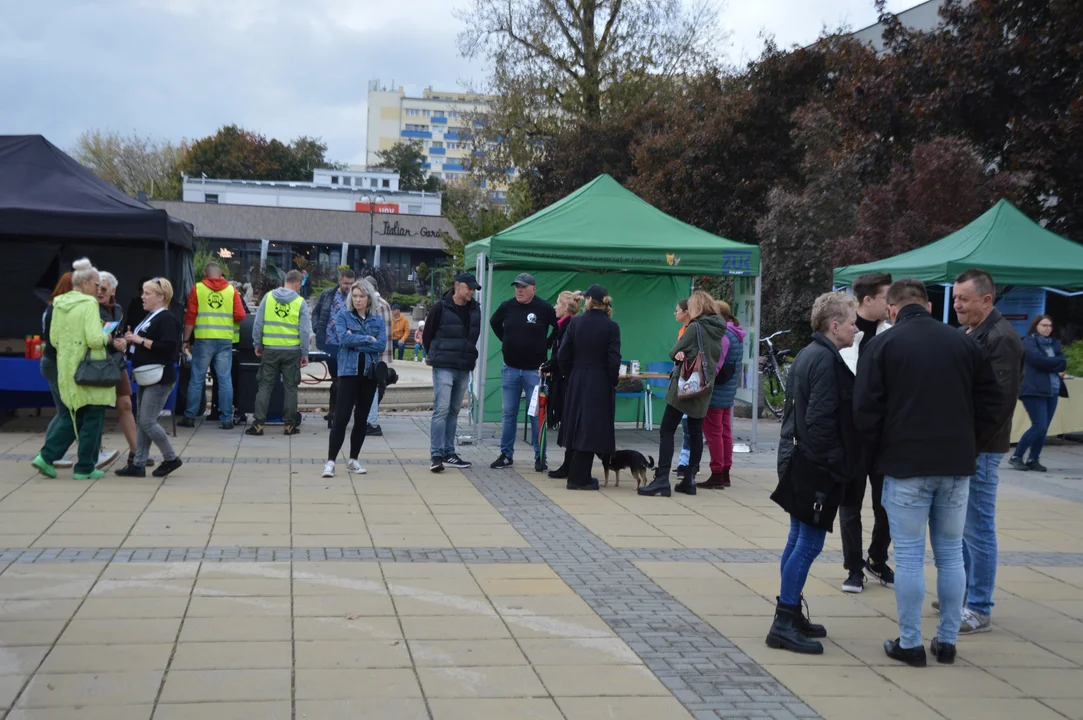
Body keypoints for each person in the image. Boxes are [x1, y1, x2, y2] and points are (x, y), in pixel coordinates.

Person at [855, 279, 1002, 666]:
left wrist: (877, 455)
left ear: (891, 309)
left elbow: (865, 411)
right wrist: (970, 442)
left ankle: (910, 642)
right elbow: (994, 401)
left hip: (905, 466)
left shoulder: (882, 345)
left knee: (907, 556)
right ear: (930, 306)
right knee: (951, 554)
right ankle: (948, 640)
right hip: (956, 464)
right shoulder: (965, 343)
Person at [765, 292, 862, 654]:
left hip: (800, 458)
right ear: (834, 326)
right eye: (852, 322)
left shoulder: (810, 353)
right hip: (813, 464)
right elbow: (819, 422)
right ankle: (783, 621)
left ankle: (790, 612)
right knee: (808, 543)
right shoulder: (823, 359)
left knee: (797, 539)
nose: (855, 329)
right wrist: (839, 464)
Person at [952, 268, 1024, 635]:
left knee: (978, 528)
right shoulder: (975, 332)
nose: (957, 305)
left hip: (982, 447)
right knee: (966, 528)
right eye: (954, 298)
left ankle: (979, 606)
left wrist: (971, 445)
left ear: (987, 300)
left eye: (964, 299)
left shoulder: (1001, 338)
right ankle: (965, 595)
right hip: (970, 445)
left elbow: (998, 403)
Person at [837, 272, 895, 594]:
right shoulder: (846, 335)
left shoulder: (892, 334)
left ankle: (877, 558)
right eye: (887, 297)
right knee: (850, 505)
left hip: (884, 438)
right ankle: (853, 568)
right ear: (868, 300)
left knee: (886, 504)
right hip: (851, 437)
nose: (891, 304)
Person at [32, 258, 115, 481]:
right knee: (93, 415)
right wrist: (107, 336)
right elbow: (95, 340)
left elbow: (54, 339)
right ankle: (84, 467)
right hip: (90, 367)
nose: (98, 290)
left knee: (74, 414)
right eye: (97, 285)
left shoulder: (58, 303)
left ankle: (47, 457)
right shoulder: (89, 304)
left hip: (66, 365)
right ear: (86, 283)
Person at [639, 291, 727, 497]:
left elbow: (674, 351)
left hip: (685, 386)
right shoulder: (719, 329)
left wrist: (680, 354)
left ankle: (661, 479)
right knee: (696, 432)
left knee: (667, 430)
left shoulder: (695, 327)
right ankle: (690, 479)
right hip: (704, 388)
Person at [114, 278, 184, 478]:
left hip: (159, 376)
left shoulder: (167, 319)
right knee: (143, 420)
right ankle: (138, 463)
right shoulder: (151, 317)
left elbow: (170, 349)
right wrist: (131, 343)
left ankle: (170, 457)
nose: (142, 297)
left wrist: (140, 340)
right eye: (143, 292)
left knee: (147, 421)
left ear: (161, 297)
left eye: (147, 293)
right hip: (146, 374)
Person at [489, 273, 558, 472]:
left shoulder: (543, 308)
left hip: (534, 372)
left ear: (533, 289)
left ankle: (540, 456)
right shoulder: (507, 306)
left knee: (536, 414)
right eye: (517, 286)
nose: (519, 290)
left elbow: (558, 327)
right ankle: (506, 455)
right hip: (510, 368)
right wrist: (506, 341)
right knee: (508, 413)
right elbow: (494, 322)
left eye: (523, 287)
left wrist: (547, 344)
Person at [557, 285, 621, 490]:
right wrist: (612, 381)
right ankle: (579, 477)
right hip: (600, 380)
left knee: (577, 425)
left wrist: (570, 374)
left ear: (589, 300)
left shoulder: (575, 323)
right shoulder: (612, 327)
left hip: (577, 378)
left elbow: (562, 354)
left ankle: (577, 474)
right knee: (592, 427)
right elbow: (613, 360)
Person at [323, 281, 387, 478]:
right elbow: (343, 339)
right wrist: (368, 339)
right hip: (348, 373)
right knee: (341, 418)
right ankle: (331, 462)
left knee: (361, 419)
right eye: (355, 296)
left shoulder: (376, 320)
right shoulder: (343, 315)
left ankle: (353, 459)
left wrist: (356, 340)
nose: (358, 300)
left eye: (362, 296)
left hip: (369, 375)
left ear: (369, 299)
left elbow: (381, 345)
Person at [422, 273, 482, 473]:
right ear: (457, 285)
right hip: (444, 364)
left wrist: (469, 357)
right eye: (469, 288)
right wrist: (437, 355)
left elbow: (474, 335)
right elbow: (427, 335)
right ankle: (436, 454)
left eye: (474, 289)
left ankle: (449, 451)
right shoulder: (440, 307)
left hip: (463, 365)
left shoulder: (475, 309)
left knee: (454, 410)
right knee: (441, 409)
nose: (471, 292)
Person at [246, 270, 312, 436]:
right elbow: (304, 331)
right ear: (297, 283)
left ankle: (258, 424)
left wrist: (257, 343)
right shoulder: (300, 302)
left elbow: (258, 323)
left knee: (265, 386)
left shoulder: (268, 298)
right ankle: (289, 425)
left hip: (270, 349)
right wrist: (305, 353)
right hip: (292, 351)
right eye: (300, 285)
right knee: (290, 388)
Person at [180, 262, 246, 429]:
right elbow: (240, 315)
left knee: (197, 379)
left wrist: (186, 340)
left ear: (205, 273)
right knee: (225, 379)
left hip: (203, 340)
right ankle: (226, 419)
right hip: (224, 340)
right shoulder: (231, 291)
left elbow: (190, 317)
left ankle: (189, 417)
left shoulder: (198, 289)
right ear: (221, 274)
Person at [697, 301, 745, 489]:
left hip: (717, 391)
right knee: (725, 430)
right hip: (728, 390)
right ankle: (725, 471)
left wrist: (703, 379)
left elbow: (716, 365)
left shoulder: (723, 335)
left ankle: (717, 472)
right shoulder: (736, 333)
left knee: (713, 432)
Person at [1011, 314, 1067, 472]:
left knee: (1044, 427)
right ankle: (1016, 456)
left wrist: (1052, 363)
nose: (1048, 328)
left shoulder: (1054, 344)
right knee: (1039, 425)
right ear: (1036, 326)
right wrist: (1053, 363)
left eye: (1050, 325)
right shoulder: (1028, 342)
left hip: (1053, 389)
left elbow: (1063, 363)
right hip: (1033, 390)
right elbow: (1039, 361)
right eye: (1044, 325)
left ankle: (1033, 458)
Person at [96, 272, 135, 468]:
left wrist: (122, 341)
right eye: (97, 288)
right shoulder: (91, 309)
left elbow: (114, 333)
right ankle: (96, 451)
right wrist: (114, 343)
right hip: (97, 364)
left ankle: (137, 452)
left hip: (117, 363)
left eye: (103, 289)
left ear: (113, 290)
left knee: (126, 403)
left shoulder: (117, 309)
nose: (99, 292)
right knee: (96, 408)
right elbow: (96, 335)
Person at [546, 290, 584, 480]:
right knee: (567, 422)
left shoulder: (571, 326)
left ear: (567, 308)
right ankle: (568, 462)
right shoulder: (561, 326)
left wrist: (555, 367)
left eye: (558, 304)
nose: (554, 307)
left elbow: (565, 354)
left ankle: (570, 464)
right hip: (561, 378)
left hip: (566, 381)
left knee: (570, 422)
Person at [314, 269, 356, 429]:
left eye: (351, 284)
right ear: (339, 281)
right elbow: (317, 312)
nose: (348, 286)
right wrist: (317, 328)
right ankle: (334, 411)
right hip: (330, 343)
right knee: (336, 379)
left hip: (348, 344)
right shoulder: (327, 295)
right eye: (346, 283)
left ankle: (338, 412)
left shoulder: (356, 297)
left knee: (343, 380)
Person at [362, 277, 393, 437]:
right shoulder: (384, 303)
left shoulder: (376, 305)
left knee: (371, 389)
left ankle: (372, 422)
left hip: (374, 353)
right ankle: (369, 420)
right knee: (373, 388)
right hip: (381, 353)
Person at [673, 299, 695, 474]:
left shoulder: (693, 330)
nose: (675, 313)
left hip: (690, 381)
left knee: (690, 426)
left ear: (686, 312)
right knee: (687, 425)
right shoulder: (683, 330)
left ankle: (687, 464)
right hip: (683, 378)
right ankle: (685, 462)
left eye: (677, 310)